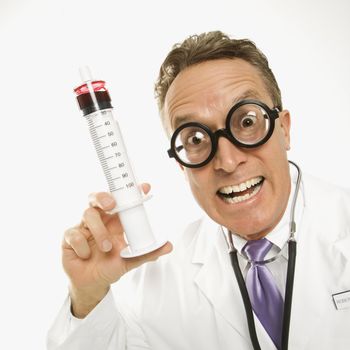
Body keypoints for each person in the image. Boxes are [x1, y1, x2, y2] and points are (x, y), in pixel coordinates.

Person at [47, 31, 350, 350]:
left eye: (246, 122)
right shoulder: (151, 288)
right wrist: (87, 294)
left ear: (284, 129)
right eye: (195, 139)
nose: (228, 161)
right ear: (181, 163)